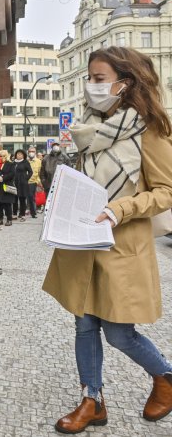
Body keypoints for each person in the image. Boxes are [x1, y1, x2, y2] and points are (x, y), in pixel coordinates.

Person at [43, 47, 172, 433]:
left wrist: (122, 208)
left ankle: (165, 376)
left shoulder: (151, 131)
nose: (91, 86)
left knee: (119, 333)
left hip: (121, 245)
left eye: (98, 79)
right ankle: (92, 400)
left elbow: (166, 190)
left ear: (125, 82)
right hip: (82, 241)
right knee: (84, 326)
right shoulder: (88, 127)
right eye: (90, 78)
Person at [0, 150, 15, 226]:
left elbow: (12, 174)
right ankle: (0, 219)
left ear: (6, 156)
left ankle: (9, 219)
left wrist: (3, 178)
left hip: (7, 185)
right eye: (0, 156)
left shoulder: (10, 164)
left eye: (4, 156)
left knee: (7, 204)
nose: (2, 157)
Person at [12, 149, 32, 222]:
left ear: (23, 155)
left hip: (23, 183)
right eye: (18, 154)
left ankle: (22, 215)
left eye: (20, 154)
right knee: (14, 199)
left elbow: (30, 172)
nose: (19, 155)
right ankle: (14, 214)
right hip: (14, 183)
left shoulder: (25, 162)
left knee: (22, 199)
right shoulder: (13, 163)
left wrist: (25, 178)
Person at [26, 146, 42, 218]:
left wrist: (38, 181)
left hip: (33, 182)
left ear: (35, 152)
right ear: (28, 152)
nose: (31, 153)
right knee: (23, 197)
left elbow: (40, 172)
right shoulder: (25, 160)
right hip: (24, 181)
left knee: (31, 197)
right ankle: (23, 212)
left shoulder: (38, 161)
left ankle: (33, 212)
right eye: (30, 151)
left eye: (33, 151)